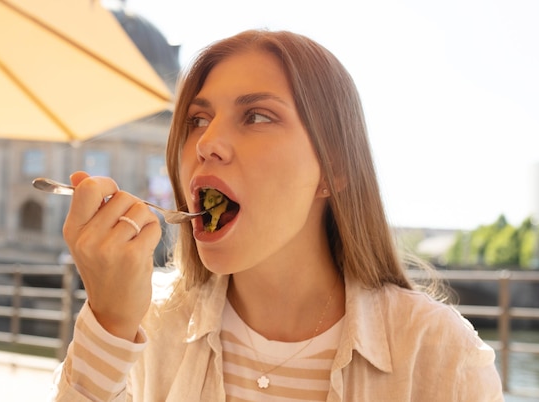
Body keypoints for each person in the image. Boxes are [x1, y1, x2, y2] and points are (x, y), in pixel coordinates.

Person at [50, 29, 503, 401]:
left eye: (258, 117)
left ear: (334, 169)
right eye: (197, 119)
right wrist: (108, 323)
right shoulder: (143, 330)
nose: (206, 143)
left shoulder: (443, 358)